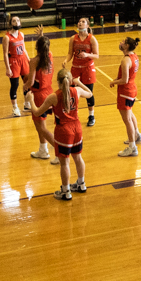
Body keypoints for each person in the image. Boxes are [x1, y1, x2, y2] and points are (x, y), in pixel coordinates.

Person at [39, 68, 88, 200]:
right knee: (78, 157)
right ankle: (81, 184)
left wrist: (30, 100)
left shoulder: (54, 96)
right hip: (77, 128)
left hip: (64, 131)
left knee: (64, 163)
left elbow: (38, 112)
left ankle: (66, 191)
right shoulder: (77, 91)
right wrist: (79, 83)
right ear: (71, 80)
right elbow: (90, 94)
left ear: (58, 82)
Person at [27, 35, 58, 163]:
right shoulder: (50, 55)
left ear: (37, 47)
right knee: (41, 125)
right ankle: (43, 150)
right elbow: (45, 46)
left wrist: (24, 86)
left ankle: (59, 152)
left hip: (39, 95)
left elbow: (30, 82)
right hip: (49, 92)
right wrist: (42, 36)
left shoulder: (34, 61)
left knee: (41, 128)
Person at [68, 17, 100, 128]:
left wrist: (87, 55)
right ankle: (72, 114)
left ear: (87, 25)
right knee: (72, 93)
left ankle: (91, 116)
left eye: (83, 22)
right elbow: (70, 53)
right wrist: (65, 60)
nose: (80, 23)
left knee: (89, 93)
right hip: (76, 68)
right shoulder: (73, 38)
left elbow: (97, 55)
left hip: (87, 68)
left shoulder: (92, 39)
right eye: (79, 21)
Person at [3, 16, 32, 116]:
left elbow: (24, 48)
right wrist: (8, 68)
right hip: (14, 61)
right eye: (14, 21)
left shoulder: (21, 34)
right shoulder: (7, 37)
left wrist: (28, 59)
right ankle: (15, 108)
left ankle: (27, 104)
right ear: (11, 23)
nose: (16, 22)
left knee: (28, 82)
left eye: (18, 20)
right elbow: (5, 54)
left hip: (23, 60)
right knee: (15, 85)